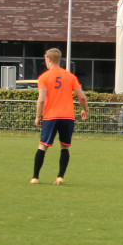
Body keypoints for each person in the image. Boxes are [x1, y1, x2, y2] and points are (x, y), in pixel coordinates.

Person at [32, 48, 89, 185]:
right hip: (67, 117)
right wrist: (85, 110)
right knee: (64, 147)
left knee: (42, 146)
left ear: (49, 59)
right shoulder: (70, 76)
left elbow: (41, 99)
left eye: (45, 59)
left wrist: (38, 116)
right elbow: (82, 97)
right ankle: (60, 177)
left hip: (51, 116)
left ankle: (35, 177)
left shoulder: (44, 77)